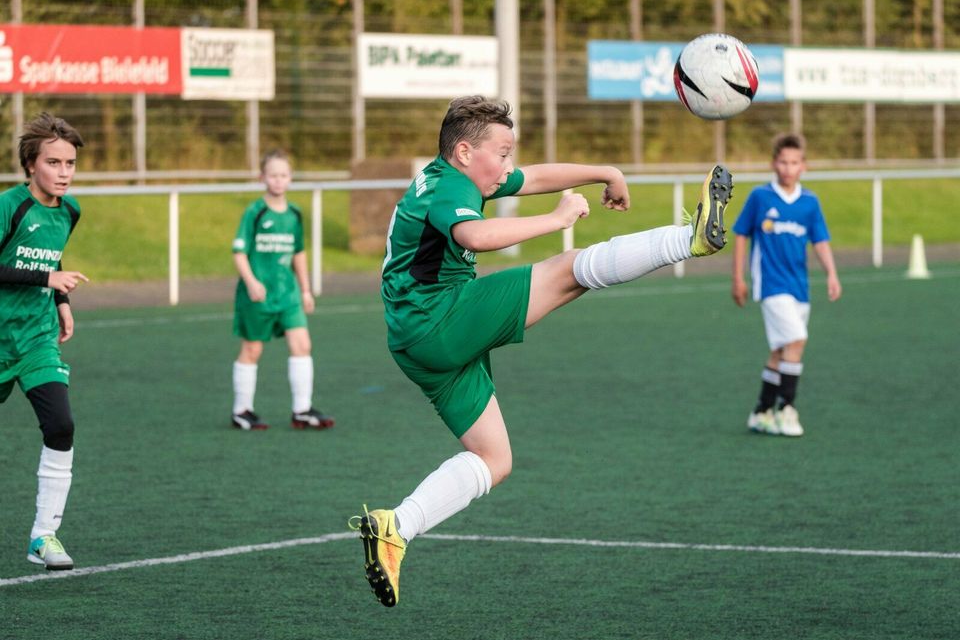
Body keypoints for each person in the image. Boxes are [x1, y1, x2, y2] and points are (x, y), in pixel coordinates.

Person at [348, 95, 733, 607]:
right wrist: (557, 219)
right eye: (502, 153)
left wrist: (605, 171)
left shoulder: (456, 174)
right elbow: (476, 234)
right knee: (567, 269)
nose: (508, 166)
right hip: (436, 319)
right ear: (464, 151)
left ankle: (396, 526)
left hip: (415, 339)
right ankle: (690, 240)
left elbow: (533, 177)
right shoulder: (448, 188)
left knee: (494, 458)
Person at [0, 113, 89, 570]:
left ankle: (43, 535)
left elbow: (50, 260)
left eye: (70, 163)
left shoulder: (69, 211)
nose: (64, 172)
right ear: (31, 164)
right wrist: (47, 276)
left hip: (35, 340)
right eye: (54, 162)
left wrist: (60, 301)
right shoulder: (8, 206)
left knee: (61, 425)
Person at [731, 133, 841, 437]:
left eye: (794, 163)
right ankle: (787, 409)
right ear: (773, 164)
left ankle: (761, 412)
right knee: (797, 339)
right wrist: (738, 277)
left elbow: (820, 240)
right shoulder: (760, 197)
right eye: (783, 162)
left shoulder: (809, 202)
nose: (788, 168)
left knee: (782, 350)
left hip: (799, 287)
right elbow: (741, 234)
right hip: (770, 285)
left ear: (803, 166)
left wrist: (831, 273)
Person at [230, 149, 334, 431]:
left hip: (287, 295)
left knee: (302, 345)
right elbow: (239, 252)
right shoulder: (255, 211)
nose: (278, 180)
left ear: (290, 178)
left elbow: (298, 253)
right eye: (273, 175)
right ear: (262, 177)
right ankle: (242, 410)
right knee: (252, 349)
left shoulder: (294, 213)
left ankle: (301, 409)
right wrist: (252, 282)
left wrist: (305, 290)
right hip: (258, 295)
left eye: (284, 175)